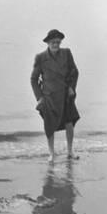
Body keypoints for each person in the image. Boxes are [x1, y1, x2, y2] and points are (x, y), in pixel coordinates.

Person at [30, 29, 80, 162]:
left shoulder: (67, 53)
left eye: (58, 42)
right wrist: (39, 98)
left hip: (65, 95)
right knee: (49, 125)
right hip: (49, 97)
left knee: (69, 123)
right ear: (47, 42)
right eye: (53, 42)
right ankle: (51, 153)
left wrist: (71, 88)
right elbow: (33, 79)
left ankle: (70, 151)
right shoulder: (40, 58)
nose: (56, 44)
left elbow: (74, 72)